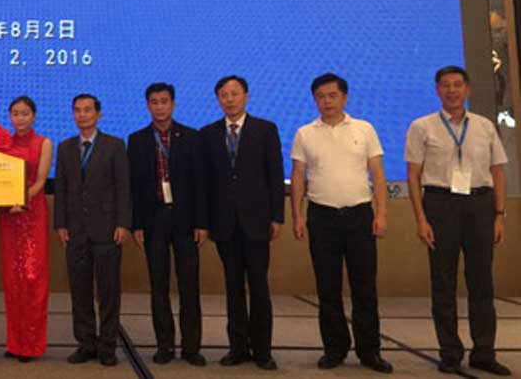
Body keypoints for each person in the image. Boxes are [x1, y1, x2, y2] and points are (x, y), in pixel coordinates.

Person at [405, 66, 512, 376]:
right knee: (443, 283)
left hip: (480, 204)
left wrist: (499, 215)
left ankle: (484, 352)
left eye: (456, 85)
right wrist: (421, 219)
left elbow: (498, 173)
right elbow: (413, 177)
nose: (451, 90)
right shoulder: (421, 126)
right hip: (439, 204)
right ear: (437, 90)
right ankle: (450, 352)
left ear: (467, 89)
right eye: (444, 86)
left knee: (482, 283)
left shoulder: (484, 126)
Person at [289, 74, 392, 373]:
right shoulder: (305, 133)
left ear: (344, 97)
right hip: (322, 217)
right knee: (327, 288)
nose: (327, 101)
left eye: (332, 95)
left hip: (360, 216)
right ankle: (334, 349)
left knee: (365, 288)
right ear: (315, 100)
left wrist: (381, 212)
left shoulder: (364, 128)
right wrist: (297, 215)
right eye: (320, 96)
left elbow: (378, 175)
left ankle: (370, 351)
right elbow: (298, 176)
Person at [200, 75, 282, 371]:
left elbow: (275, 175)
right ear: (218, 99)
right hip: (224, 224)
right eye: (224, 94)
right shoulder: (207, 134)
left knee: (259, 287)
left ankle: (263, 351)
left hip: (258, 221)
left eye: (234, 93)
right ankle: (237, 347)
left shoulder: (265, 129)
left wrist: (277, 216)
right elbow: (205, 183)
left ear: (245, 96)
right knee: (233, 287)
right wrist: (205, 221)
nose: (230, 99)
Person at [127, 83, 207, 366]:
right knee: (158, 285)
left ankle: (191, 347)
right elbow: (134, 187)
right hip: (153, 221)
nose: (159, 106)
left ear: (173, 104)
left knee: (189, 285)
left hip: (186, 221)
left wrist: (201, 222)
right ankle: (164, 345)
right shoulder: (136, 140)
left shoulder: (192, 137)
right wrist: (136, 224)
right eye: (154, 102)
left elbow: (201, 185)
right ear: (147, 106)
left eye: (164, 101)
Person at [54, 94, 131, 367]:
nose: (82, 115)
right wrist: (60, 224)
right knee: (80, 289)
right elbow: (61, 189)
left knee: (109, 290)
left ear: (98, 114)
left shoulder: (114, 145)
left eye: (88, 110)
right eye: (77, 110)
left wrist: (123, 223)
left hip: (108, 229)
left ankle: (108, 345)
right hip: (75, 231)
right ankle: (86, 343)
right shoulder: (64, 148)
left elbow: (123, 187)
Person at [0, 96, 53, 362]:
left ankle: (31, 344)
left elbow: (41, 180)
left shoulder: (44, 143)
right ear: (10, 116)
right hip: (8, 217)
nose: (20, 118)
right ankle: (15, 342)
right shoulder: (2, 144)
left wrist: (22, 198)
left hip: (31, 213)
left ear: (34, 116)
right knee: (12, 280)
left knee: (33, 278)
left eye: (25, 113)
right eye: (15, 113)